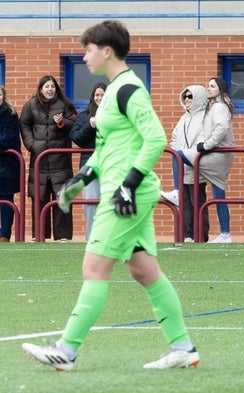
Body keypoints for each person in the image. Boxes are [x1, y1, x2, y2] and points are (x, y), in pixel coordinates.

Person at [22, 19, 199, 371]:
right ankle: (183, 348)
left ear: (106, 51)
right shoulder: (116, 89)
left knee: (94, 267)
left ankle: (66, 350)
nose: (84, 56)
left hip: (125, 196)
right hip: (124, 190)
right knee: (144, 271)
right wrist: (82, 177)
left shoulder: (128, 89)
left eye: (88, 49)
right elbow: (109, 148)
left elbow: (155, 139)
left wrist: (129, 184)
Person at [176, 77, 235, 244]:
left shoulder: (218, 106)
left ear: (220, 89)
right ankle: (225, 233)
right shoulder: (215, 106)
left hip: (216, 155)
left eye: (212, 86)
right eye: (207, 86)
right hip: (216, 155)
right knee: (218, 195)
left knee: (179, 155)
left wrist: (207, 145)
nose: (208, 89)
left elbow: (221, 127)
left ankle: (175, 191)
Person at [20, 75, 77, 242]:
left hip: (61, 160)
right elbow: (24, 125)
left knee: (62, 196)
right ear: (41, 89)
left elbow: (75, 126)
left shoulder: (65, 104)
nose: (50, 89)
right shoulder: (31, 105)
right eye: (47, 86)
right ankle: (39, 234)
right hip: (39, 161)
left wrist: (62, 123)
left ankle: (63, 236)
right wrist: (31, 144)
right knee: (39, 196)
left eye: (52, 86)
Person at [160, 85, 210, 243]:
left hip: (195, 163)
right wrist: (176, 150)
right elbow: (174, 137)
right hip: (182, 164)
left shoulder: (205, 117)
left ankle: (201, 235)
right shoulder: (184, 118)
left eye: (191, 96)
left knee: (198, 201)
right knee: (186, 201)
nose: (187, 99)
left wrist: (188, 153)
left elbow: (204, 139)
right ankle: (188, 235)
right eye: (186, 96)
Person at [70, 82, 106, 240]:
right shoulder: (84, 116)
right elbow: (76, 138)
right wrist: (89, 126)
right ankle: (92, 238)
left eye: (103, 94)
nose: (99, 97)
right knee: (90, 203)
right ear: (93, 97)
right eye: (97, 95)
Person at [0, 86, 21, 242]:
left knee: (6, 200)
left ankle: (4, 235)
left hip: (7, 166)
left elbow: (11, 139)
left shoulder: (11, 114)